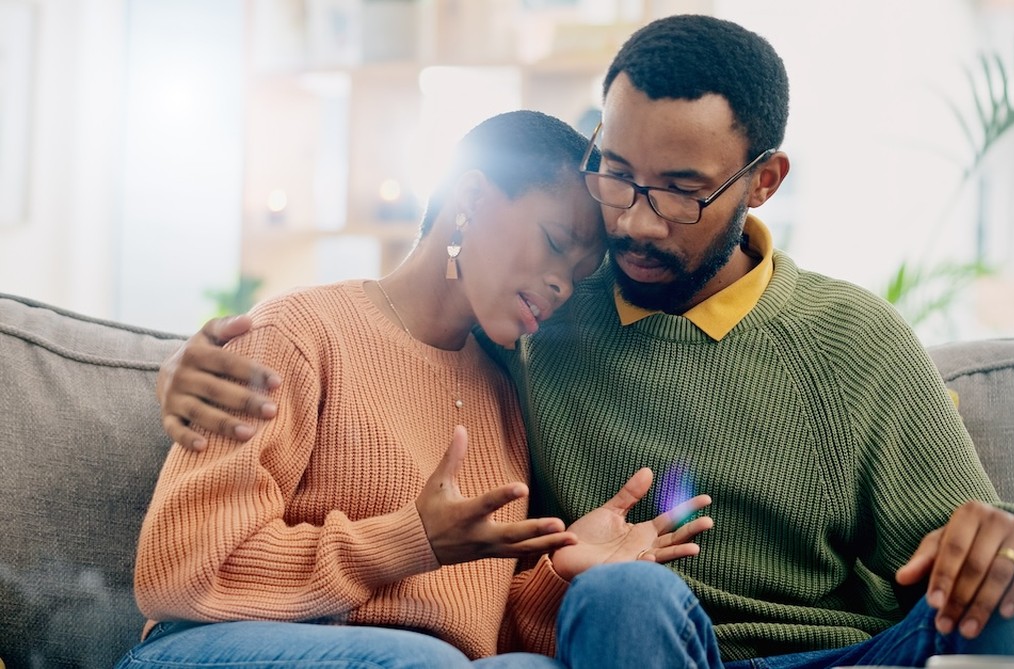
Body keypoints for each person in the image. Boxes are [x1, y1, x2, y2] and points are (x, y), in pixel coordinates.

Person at [155, 15, 1014, 669]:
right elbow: (381, 339)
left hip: (841, 650)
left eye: (681, 188)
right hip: (639, 636)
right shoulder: (541, 323)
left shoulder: (854, 342)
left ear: (762, 182)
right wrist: (181, 367)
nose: (634, 223)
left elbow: (968, 546)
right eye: (616, 173)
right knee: (617, 599)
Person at [115, 110, 713, 669]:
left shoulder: (502, 390)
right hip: (211, 645)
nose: (561, 284)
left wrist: (560, 571)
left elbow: (475, 628)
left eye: (580, 275)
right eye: (555, 242)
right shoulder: (297, 335)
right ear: (472, 198)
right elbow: (184, 570)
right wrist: (409, 539)